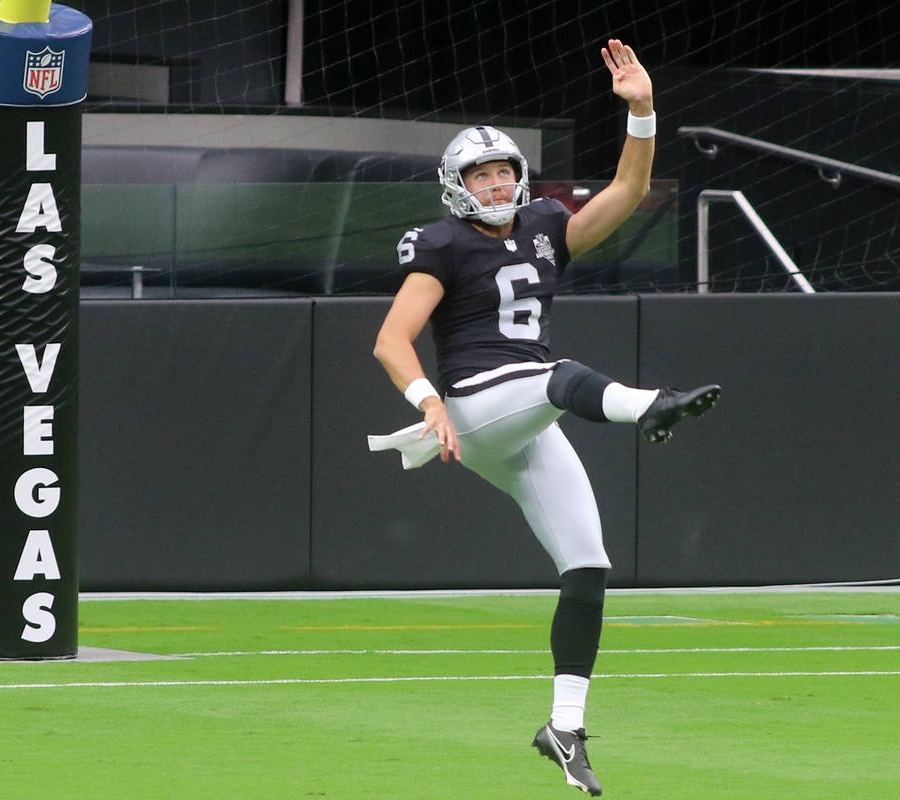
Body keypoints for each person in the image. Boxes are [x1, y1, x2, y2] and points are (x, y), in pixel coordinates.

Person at [369, 39, 720, 797]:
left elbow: (626, 194)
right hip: (474, 405)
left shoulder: (542, 224)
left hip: (530, 416)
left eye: (503, 172)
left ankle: (563, 727)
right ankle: (650, 406)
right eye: (480, 174)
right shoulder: (441, 244)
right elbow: (391, 340)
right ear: (455, 186)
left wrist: (642, 111)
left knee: (588, 567)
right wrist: (428, 403)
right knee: (558, 378)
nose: (495, 184)